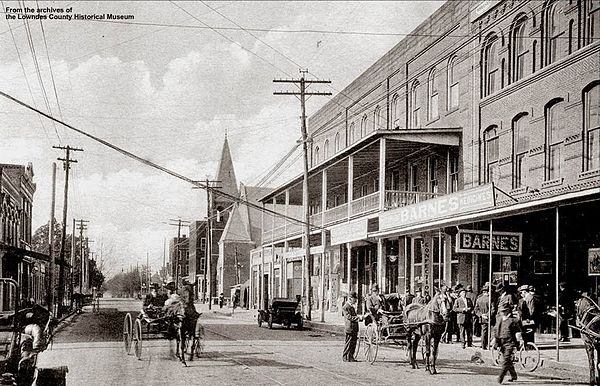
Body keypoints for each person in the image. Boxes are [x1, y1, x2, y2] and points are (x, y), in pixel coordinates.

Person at [494, 308, 523, 384]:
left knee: (506, 360)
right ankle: (514, 375)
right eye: (501, 311)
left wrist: (519, 341)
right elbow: (496, 331)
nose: (502, 313)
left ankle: (500, 378)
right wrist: (496, 342)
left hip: (510, 343)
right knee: (508, 361)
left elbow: (518, 331)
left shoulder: (513, 321)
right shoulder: (499, 319)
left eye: (504, 311)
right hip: (501, 342)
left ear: (508, 312)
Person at [342, 291, 363, 362]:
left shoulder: (351, 307)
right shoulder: (346, 307)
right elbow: (349, 317)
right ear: (350, 298)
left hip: (354, 328)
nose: (356, 300)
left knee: (353, 343)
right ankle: (345, 357)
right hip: (349, 328)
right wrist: (359, 318)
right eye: (354, 299)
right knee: (348, 343)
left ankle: (351, 357)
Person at [474, 283, 492, 350]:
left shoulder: (479, 299)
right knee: (489, 332)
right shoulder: (490, 299)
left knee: (483, 332)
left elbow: (476, 309)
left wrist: (481, 315)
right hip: (489, 317)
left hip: (482, 318)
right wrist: (487, 315)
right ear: (487, 292)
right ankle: (487, 344)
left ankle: (483, 345)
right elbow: (492, 309)